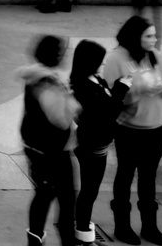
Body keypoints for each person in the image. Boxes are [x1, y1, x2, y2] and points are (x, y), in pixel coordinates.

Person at [102, 15, 162, 245]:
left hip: (157, 128)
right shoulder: (115, 59)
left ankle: (149, 227)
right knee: (125, 176)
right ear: (136, 37)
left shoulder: (153, 55)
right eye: (150, 36)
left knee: (149, 178)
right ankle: (122, 227)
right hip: (130, 130)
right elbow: (115, 99)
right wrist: (139, 89)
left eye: (154, 35)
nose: (155, 39)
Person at [19, 33, 79, 246]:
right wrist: (72, 103)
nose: (64, 55)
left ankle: (39, 239)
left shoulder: (38, 77)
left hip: (41, 148)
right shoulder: (47, 82)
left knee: (50, 195)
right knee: (58, 196)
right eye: (61, 51)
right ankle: (65, 240)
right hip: (51, 150)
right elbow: (61, 120)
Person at [70, 40, 117, 246]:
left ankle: (82, 230)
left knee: (91, 189)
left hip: (99, 144)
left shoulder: (96, 80)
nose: (104, 64)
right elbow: (106, 112)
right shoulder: (84, 86)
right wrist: (122, 90)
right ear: (90, 62)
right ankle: (82, 232)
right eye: (101, 60)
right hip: (92, 146)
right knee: (90, 190)